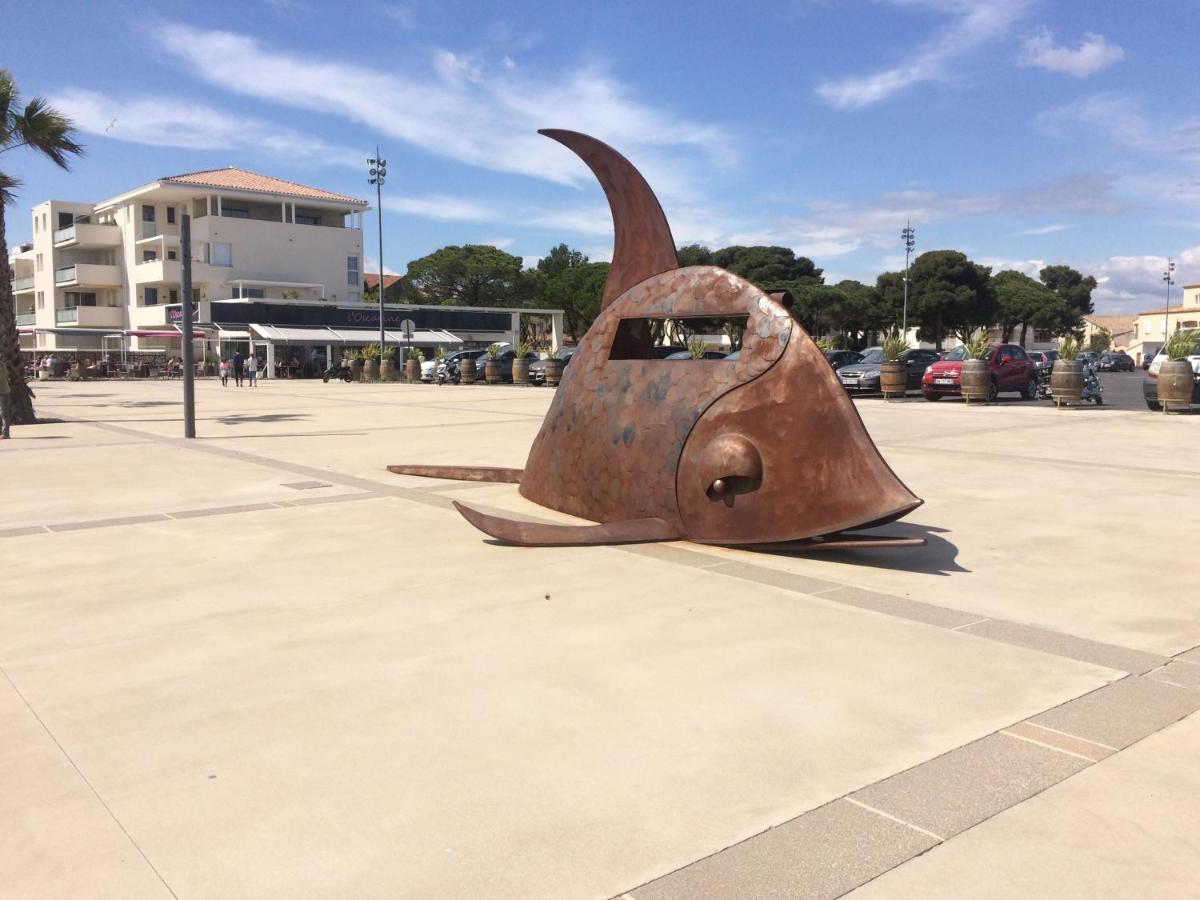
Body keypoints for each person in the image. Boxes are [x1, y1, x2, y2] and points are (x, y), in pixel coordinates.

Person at [0, 360, 12, 439]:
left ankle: (5, 433)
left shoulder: (2, 366)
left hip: (3, 392)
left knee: (4, 413)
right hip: (4, 391)